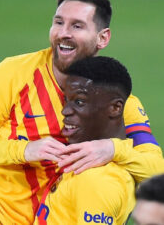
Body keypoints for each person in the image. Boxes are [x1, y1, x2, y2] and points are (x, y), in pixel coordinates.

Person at [0, 0, 164, 224]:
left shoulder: (116, 101)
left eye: (77, 25)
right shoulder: (13, 73)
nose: (64, 33)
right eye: (59, 22)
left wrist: (112, 149)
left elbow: (156, 169)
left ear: (102, 37)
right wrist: (24, 151)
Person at [35, 56, 135, 224]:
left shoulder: (96, 181)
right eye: (66, 100)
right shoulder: (86, 160)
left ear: (115, 108)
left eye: (79, 102)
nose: (65, 111)